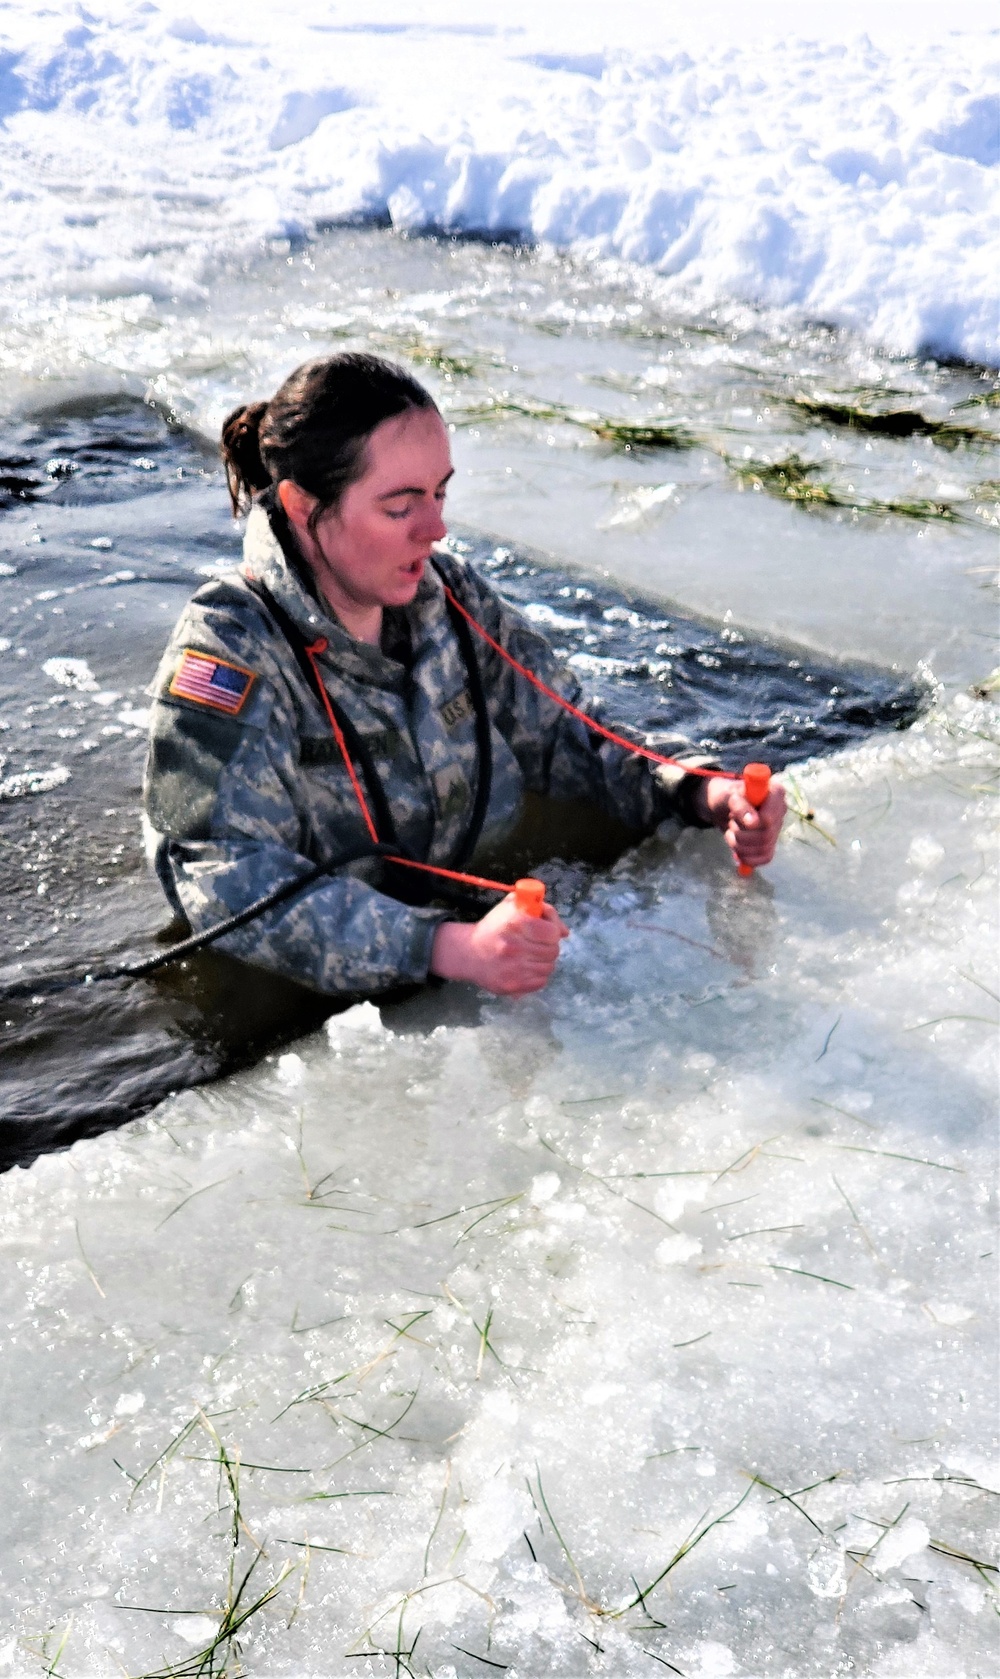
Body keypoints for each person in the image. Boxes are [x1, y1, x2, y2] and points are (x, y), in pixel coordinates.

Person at [143, 354, 784, 999]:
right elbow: (220, 876)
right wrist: (445, 947)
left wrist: (699, 789)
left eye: (440, 493)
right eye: (400, 507)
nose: (436, 528)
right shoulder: (229, 650)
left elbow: (567, 730)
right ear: (303, 507)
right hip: (324, 1002)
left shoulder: (445, 597)